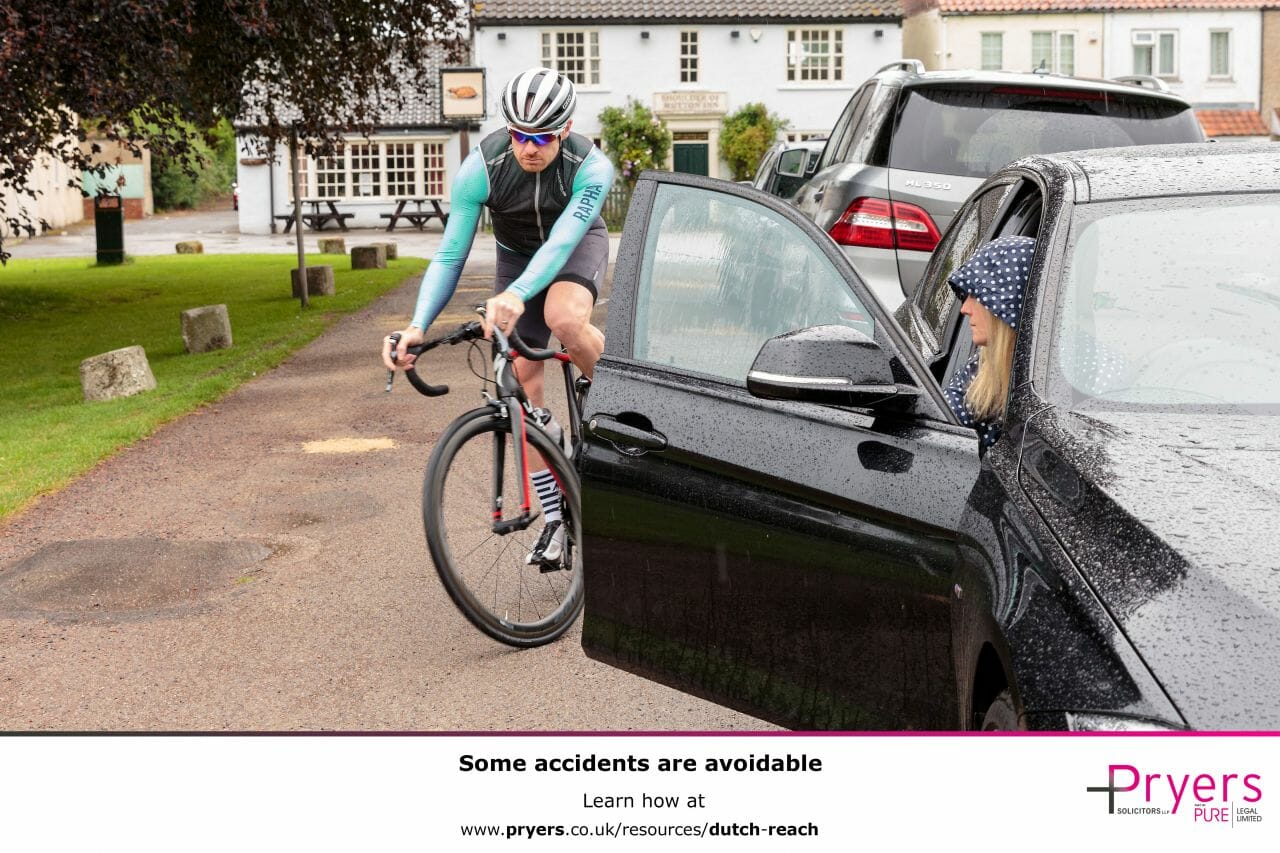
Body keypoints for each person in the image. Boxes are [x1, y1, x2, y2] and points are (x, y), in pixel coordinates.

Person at [381, 67, 614, 566]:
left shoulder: (591, 167)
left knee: (564, 319)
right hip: (514, 255)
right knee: (518, 382)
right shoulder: (480, 168)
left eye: (543, 137)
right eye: (519, 135)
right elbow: (450, 255)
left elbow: (561, 241)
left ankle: (615, 398)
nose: (530, 147)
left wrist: (518, 294)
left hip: (573, 247)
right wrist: (418, 325)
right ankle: (556, 519)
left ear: (566, 129)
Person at [942, 235, 1035, 451]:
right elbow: (944, 433)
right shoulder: (979, 370)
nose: (964, 308)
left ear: (1007, 302)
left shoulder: (1084, 377)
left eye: (976, 295)